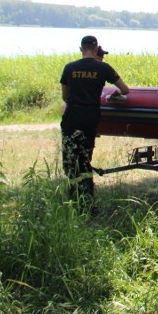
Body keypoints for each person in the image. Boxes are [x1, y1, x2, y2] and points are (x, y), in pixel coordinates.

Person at [60, 35, 129, 209]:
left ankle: (74, 198)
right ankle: (87, 199)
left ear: (80, 48)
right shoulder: (103, 68)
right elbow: (125, 89)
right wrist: (114, 94)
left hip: (72, 118)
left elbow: (65, 96)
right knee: (85, 157)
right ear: (96, 48)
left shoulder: (69, 68)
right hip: (90, 118)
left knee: (71, 159)